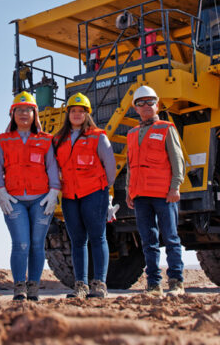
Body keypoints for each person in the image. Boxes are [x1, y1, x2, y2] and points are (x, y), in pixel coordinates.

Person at [0, 91, 61, 302]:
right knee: (21, 243)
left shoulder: (45, 140)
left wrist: (54, 192)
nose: (24, 114)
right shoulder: (3, 141)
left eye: (28, 110)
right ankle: (19, 285)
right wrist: (0, 191)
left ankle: (34, 287)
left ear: (35, 114)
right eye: (19, 110)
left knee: (37, 243)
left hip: (41, 199)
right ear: (12, 114)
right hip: (14, 200)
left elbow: (52, 167)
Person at [53, 92, 117, 299]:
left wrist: (104, 190)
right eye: (73, 111)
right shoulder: (58, 139)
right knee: (77, 240)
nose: (77, 114)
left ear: (87, 114)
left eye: (81, 111)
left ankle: (99, 283)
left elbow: (110, 166)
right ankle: (80, 285)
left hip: (94, 193)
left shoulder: (98, 136)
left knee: (98, 237)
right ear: (68, 114)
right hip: (70, 195)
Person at [126, 85, 186, 297]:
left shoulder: (166, 128)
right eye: (141, 103)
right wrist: (128, 191)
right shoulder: (132, 134)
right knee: (148, 241)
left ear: (157, 104)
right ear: (136, 108)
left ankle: (177, 281)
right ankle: (153, 284)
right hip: (140, 195)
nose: (146, 106)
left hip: (163, 194)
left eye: (150, 102)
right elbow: (130, 165)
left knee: (170, 238)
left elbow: (177, 160)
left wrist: (175, 186)